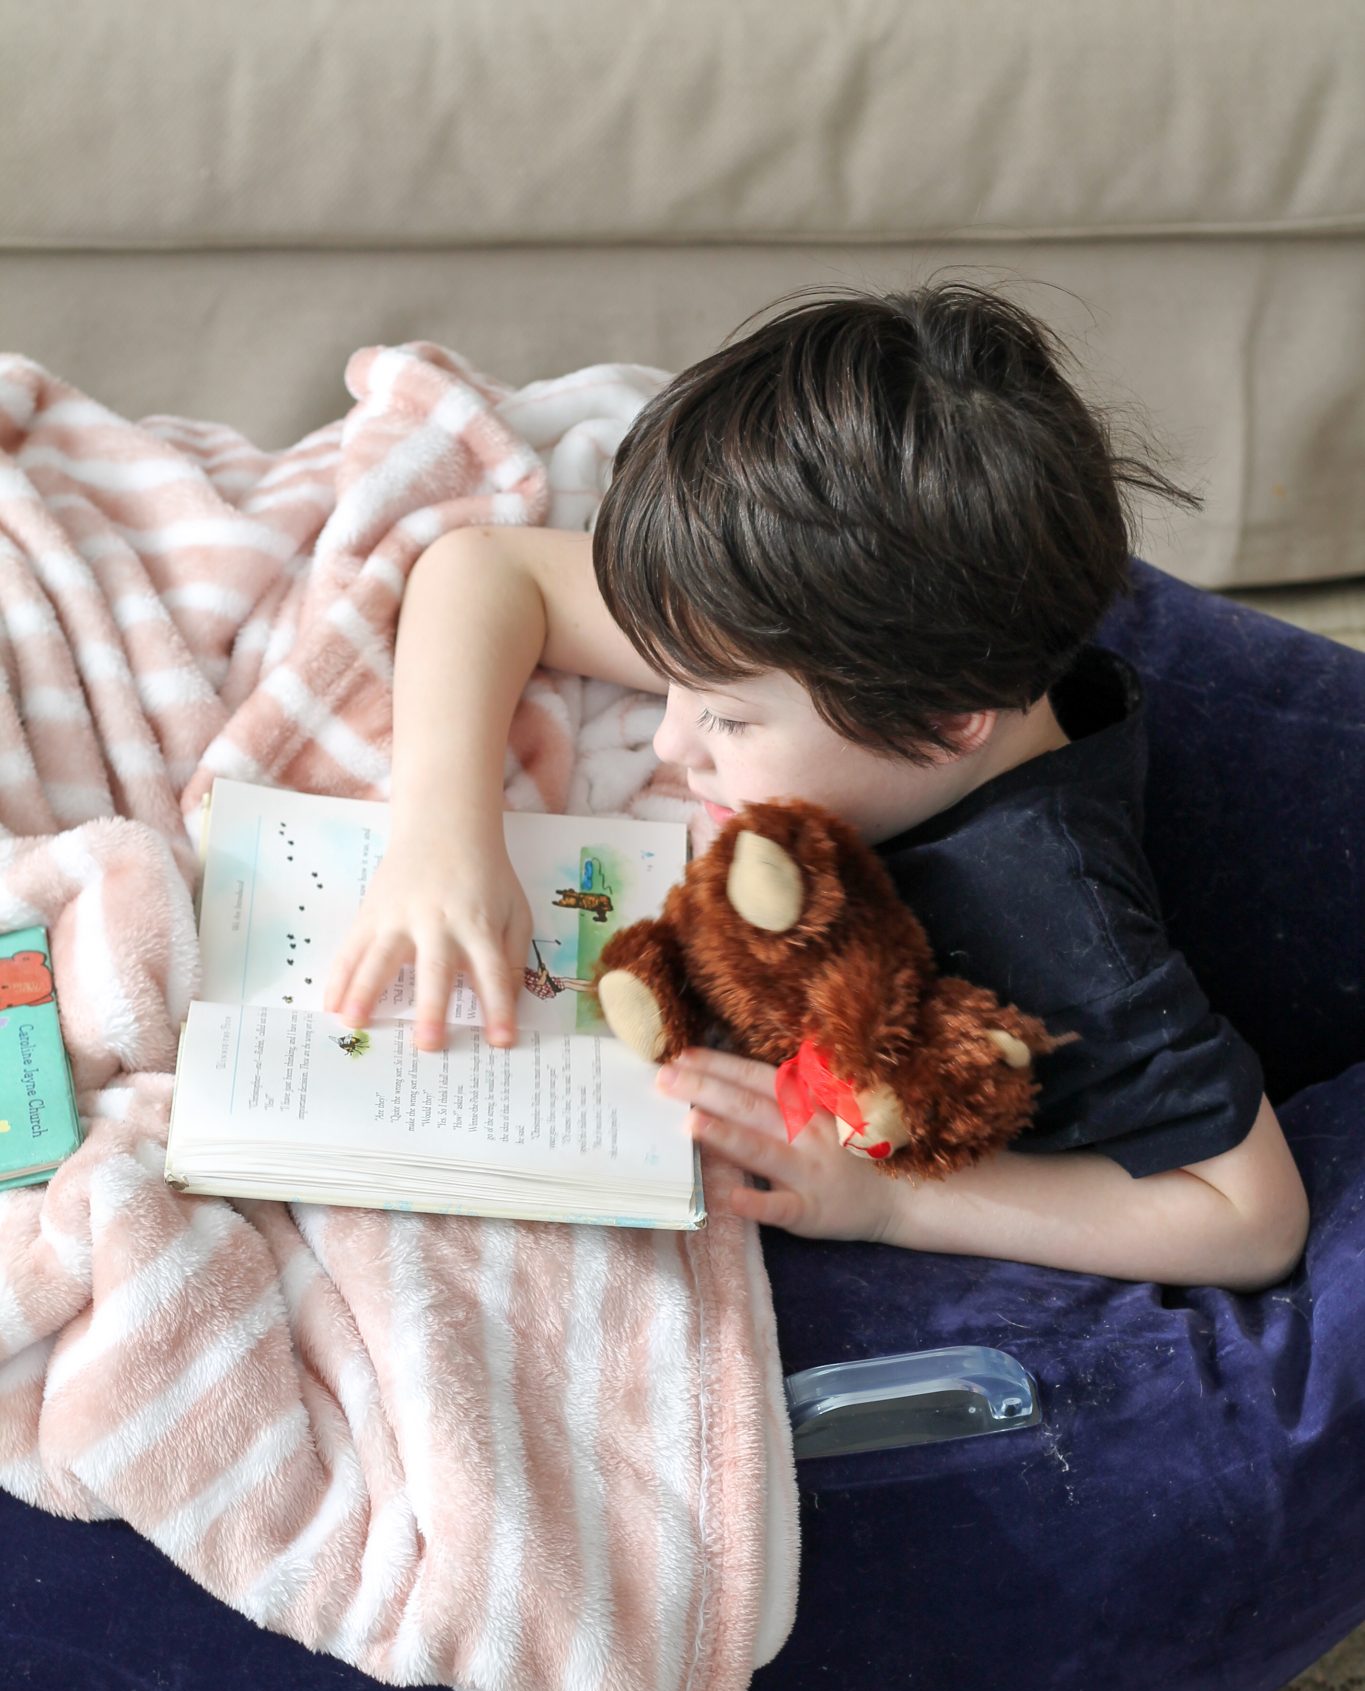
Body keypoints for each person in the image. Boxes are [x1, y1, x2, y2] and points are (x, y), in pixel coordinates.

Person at [324, 281, 1308, 1290]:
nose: (672, 740)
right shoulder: (815, 628)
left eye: (729, 718)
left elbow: (1252, 1217)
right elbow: (484, 568)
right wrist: (443, 834)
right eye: (673, 683)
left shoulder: (1053, 911)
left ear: (941, 719)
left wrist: (890, 1202)